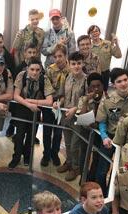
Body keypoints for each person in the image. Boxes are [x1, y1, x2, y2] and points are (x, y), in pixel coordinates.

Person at [95, 68, 128, 195]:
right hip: (110, 137)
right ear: (113, 84)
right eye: (119, 81)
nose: (123, 84)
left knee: (119, 171)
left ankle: (111, 195)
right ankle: (101, 194)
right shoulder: (107, 100)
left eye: (125, 80)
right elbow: (102, 121)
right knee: (102, 170)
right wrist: (104, 136)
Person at [9, 57, 54, 169]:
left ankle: (27, 157)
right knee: (19, 136)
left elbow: (49, 101)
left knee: (31, 136)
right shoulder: (21, 75)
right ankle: (16, 157)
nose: (35, 72)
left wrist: (33, 101)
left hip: (35, 111)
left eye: (37, 70)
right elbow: (16, 95)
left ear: (41, 69)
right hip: (22, 109)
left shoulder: (44, 79)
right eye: (32, 69)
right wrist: (28, 104)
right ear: (27, 68)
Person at [55, 52, 87, 181]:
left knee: (75, 145)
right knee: (67, 142)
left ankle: (75, 167)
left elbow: (87, 100)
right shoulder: (67, 77)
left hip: (79, 117)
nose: (76, 66)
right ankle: (68, 162)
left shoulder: (86, 80)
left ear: (83, 64)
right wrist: (59, 103)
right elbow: (63, 95)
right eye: (73, 64)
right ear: (69, 64)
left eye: (79, 63)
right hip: (66, 115)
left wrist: (76, 108)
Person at [42, 44, 69, 168]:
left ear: (65, 55)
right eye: (55, 56)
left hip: (63, 105)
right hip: (50, 103)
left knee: (58, 132)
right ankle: (46, 154)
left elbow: (69, 90)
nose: (57, 59)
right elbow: (47, 87)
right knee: (47, 130)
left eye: (60, 56)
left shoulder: (71, 70)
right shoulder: (50, 69)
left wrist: (60, 103)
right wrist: (52, 101)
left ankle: (55, 153)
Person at [77, 72, 105, 181]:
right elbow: (81, 117)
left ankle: (91, 176)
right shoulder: (84, 98)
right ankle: (83, 175)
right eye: (93, 86)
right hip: (86, 131)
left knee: (97, 156)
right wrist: (86, 102)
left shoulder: (108, 100)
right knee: (83, 153)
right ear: (89, 87)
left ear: (103, 86)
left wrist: (97, 124)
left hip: (100, 132)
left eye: (98, 86)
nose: (96, 89)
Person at [87, 25, 121, 91]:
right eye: (92, 32)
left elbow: (118, 55)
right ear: (89, 35)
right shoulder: (88, 47)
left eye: (96, 31)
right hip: (93, 73)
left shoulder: (108, 44)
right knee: (93, 92)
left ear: (99, 33)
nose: (94, 33)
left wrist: (116, 44)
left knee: (104, 91)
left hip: (105, 73)